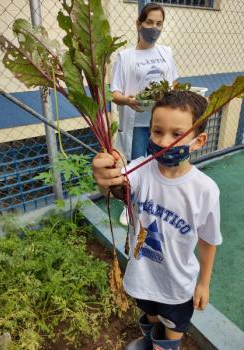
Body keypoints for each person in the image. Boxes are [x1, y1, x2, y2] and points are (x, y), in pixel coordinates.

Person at [92, 91, 222, 350]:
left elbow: (209, 240)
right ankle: (149, 339)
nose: (164, 142)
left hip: (177, 284)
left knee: (173, 328)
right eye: (157, 131)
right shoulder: (140, 170)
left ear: (198, 141)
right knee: (150, 315)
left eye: (177, 135)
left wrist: (204, 283)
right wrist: (104, 173)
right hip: (142, 277)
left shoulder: (205, 189)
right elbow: (116, 183)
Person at [111, 3, 178, 225]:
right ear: (138, 24)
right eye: (149, 22)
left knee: (160, 163)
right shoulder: (125, 56)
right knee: (137, 165)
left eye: (159, 23)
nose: (154, 28)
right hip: (138, 122)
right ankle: (129, 206)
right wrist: (129, 101)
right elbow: (115, 93)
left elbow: (174, 83)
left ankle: (156, 202)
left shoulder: (166, 52)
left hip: (161, 122)